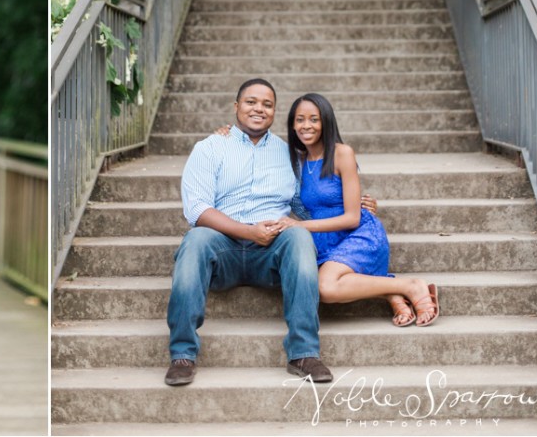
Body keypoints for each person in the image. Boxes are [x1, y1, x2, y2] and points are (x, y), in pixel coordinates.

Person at [165, 78, 333, 388]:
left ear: (274, 112)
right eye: (251, 102)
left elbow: (304, 205)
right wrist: (247, 231)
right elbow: (198, 209)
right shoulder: (210, 147)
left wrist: (353, 207)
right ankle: (182, 355)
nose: (259, 108)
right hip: (222, 247)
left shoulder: (289, 155)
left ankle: (303, 353)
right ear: (236, 107)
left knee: (298, 236)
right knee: (195, 239)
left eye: (267, 104)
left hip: (270, 251)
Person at [273, 93, 439, 328]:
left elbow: (352, 217)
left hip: (356, 234)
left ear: (326, 122)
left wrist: (300, 225)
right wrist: (225, 134)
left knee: (326, 287)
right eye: (299, 120)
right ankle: (391, 292)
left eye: (314, 119)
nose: (306, 125)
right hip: (322, 241)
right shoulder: (294, 160)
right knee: (316, 282)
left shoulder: (342, 153)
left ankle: (411, 286)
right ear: (292, 125)